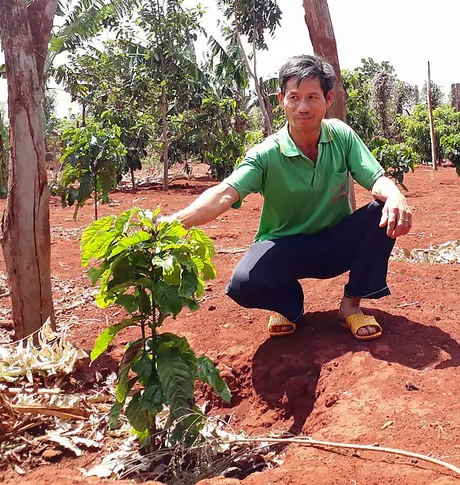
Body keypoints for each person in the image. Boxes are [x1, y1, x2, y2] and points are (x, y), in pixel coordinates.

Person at [162, 54, 413, 341]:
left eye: (312, 97)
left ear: (328, 98)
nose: (303, 107)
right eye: (294, 97)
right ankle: (289, 306)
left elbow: (374, 179)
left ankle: (350, 305)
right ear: (281, 99)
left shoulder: (341, 136)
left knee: (382, 210)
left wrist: (394, 194)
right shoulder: (266, 154)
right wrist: (173, 222)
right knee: (244, 282)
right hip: (285, 248)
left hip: (335, 243)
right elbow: (223, 195)